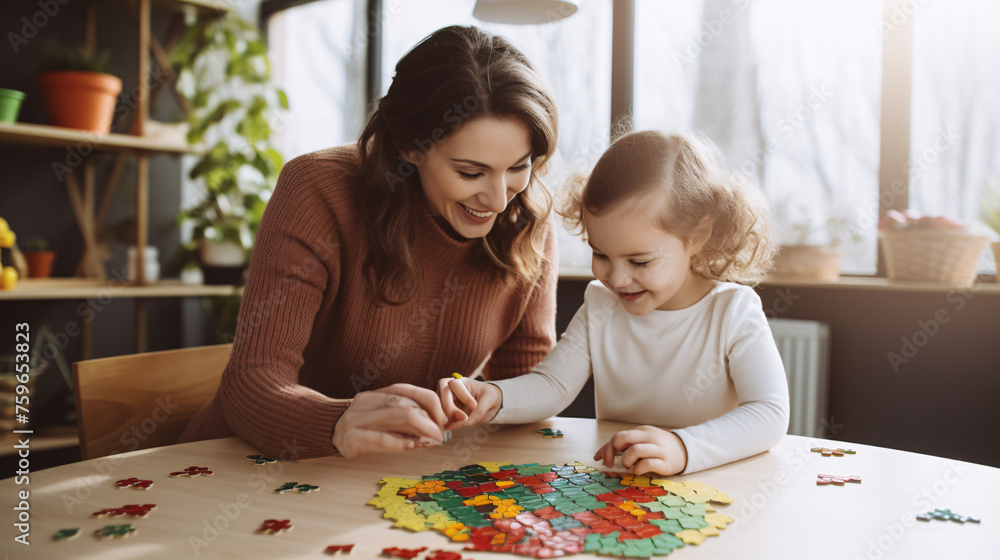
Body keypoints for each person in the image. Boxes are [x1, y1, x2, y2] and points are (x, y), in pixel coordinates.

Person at [179, 25, 561, 460]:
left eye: (519, 166)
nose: (497, 199)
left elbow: (526, 387)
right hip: (242, 464)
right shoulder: (318, 191)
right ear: (408, 148)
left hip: (388, 480)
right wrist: (336, 423)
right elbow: (252, 379)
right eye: (470, 173)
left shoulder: (523, 215)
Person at [438, 131, 790, 475]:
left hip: (713, 489)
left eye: (639, 261)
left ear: (699, 236)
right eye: (600, 254)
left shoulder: (732, 311)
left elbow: (768, 413)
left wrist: (683, 448)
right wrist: (493, 396)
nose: (617, 279)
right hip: (618, 485)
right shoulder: (600, 304)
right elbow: (554, 385)